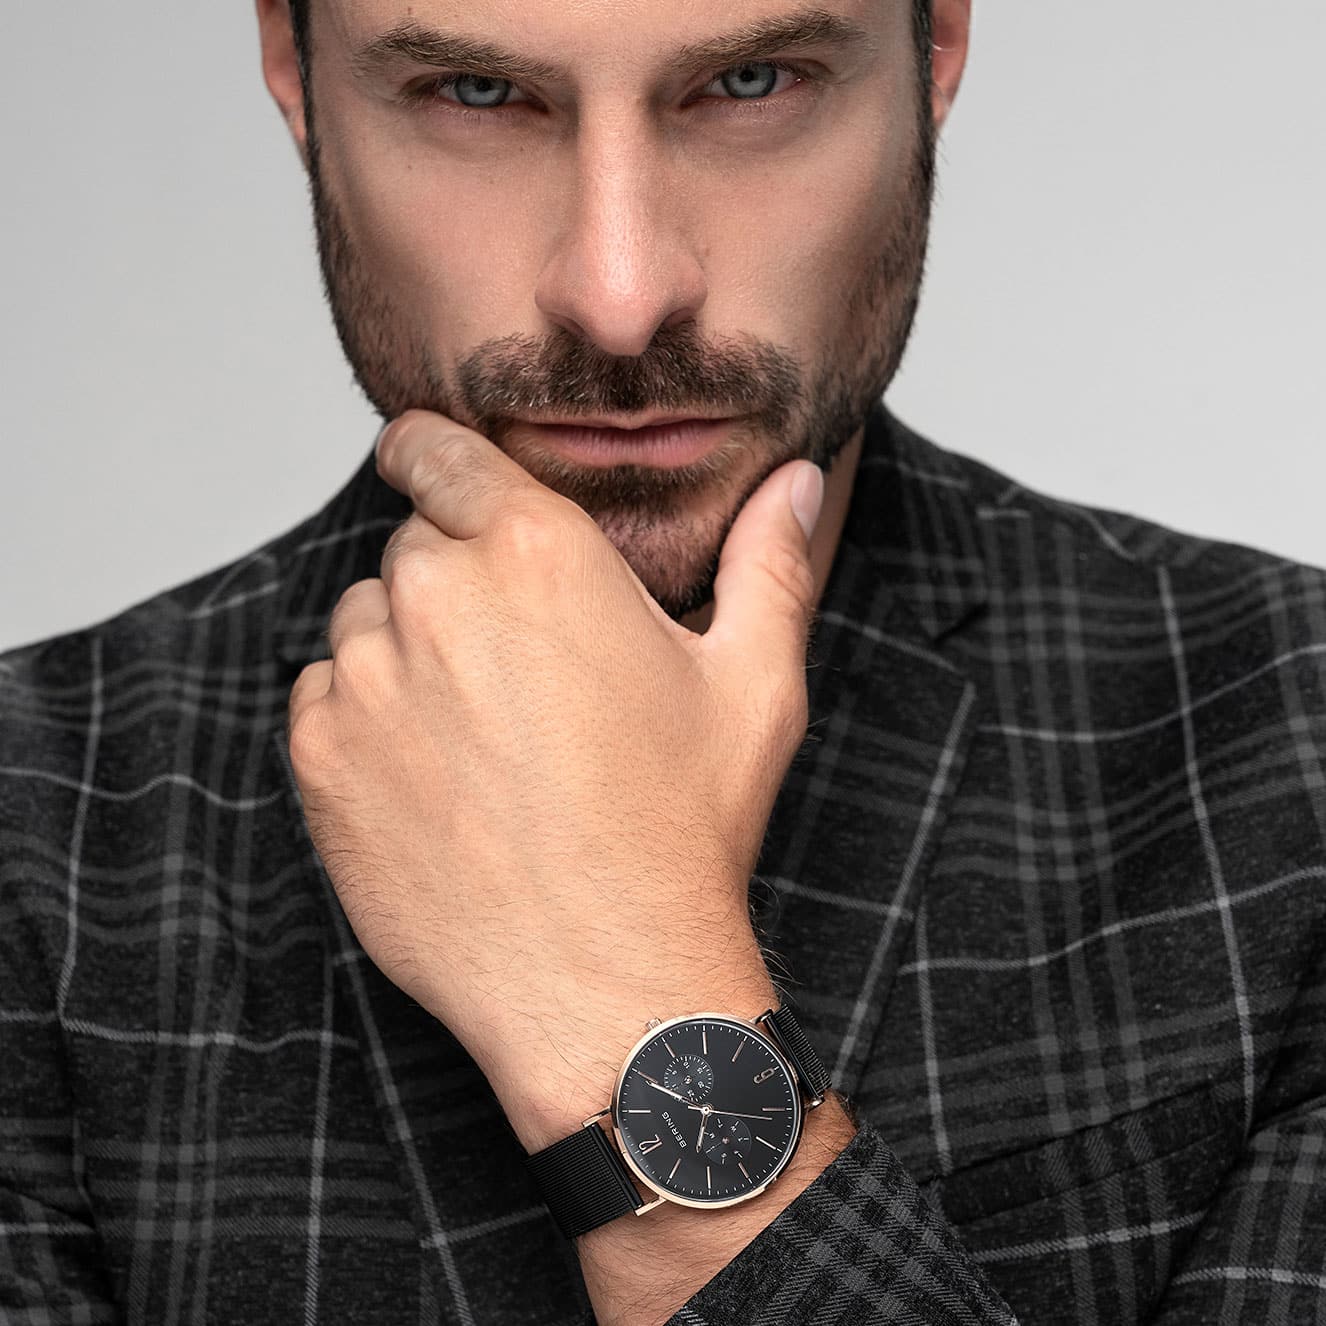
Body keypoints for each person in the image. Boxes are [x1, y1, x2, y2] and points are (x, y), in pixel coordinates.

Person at [1, 0, 1323, 1321]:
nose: (620, 297)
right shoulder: (29, 818)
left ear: (935, 52)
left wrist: (636, 1004)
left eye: (750, 82)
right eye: (474, 93)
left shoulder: (1297, 736)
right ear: (293, 70)